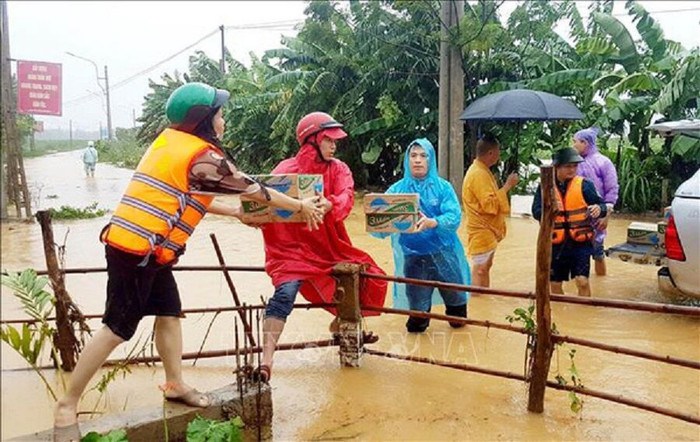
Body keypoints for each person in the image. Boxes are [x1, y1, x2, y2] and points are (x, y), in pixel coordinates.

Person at [53, 82, 325, 440]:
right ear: (204, 120)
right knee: (116, 328)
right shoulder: (202, 156)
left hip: (149, 251)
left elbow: (197, 197)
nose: (224, 120)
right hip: (136, 253)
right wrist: (301, 206)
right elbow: (252, 188)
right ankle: (67, 404)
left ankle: (174, 383)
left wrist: (236, 215)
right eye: (220, 114)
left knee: (169, 312)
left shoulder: (171, 144)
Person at [254, 112, 388, 382]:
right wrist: (253, 216)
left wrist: (331, 204)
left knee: (369, 276)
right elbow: (261, 204)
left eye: (334, 140)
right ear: (311, 140)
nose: (334, 145)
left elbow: (346, 195)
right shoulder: (285, 171)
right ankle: (266, 362)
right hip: (289, 250)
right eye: (328, 139)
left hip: (329, 246)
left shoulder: (339, 169)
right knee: (284, 295)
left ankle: (342, 325)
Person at [371, 138, 470, 333]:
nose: (418, 160)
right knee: (417, 324)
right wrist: (385, 223)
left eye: (423, 156)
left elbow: (454, 217)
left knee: (457, 318)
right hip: (414, 258)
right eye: (413, 155)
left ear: (430, 160)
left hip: (445, 255)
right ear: (407, 160)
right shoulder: (397, 190)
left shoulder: (443, 187)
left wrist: (433, 222)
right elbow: (378, 225)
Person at [531, 147, 607, 297]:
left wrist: (599, 209)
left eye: (575, 166)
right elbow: (536, 211)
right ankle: (561, 316)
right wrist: (549, 210)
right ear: (557, 167)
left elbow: (602, 206)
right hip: (556, 243)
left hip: (580, 242)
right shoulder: (546, 186)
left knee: (582, 281)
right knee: (555, 284)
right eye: (568, 166)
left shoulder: (585, 185)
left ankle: (584, 315)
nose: (572, 169)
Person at [462, 133, 518, 287]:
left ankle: (483, 299)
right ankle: (478, 301)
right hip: (481, 229)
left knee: (485, 267)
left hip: (487, 230)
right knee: (480, 269)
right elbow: (489, 205)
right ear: (491, 153)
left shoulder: (482, 170)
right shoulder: (478, 174)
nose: (500, 155)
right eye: (498, 151)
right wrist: (507, 186)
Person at [572, 127, 619, 276]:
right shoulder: (574, 163)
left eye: (575, 142)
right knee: (575, 254)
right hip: (576, 216)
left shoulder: (603, 162)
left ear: (584, 143)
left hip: (597, 215)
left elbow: (612, 190)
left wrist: (606, 216)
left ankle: (600, 282)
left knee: (598, 253)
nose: (573, 145)